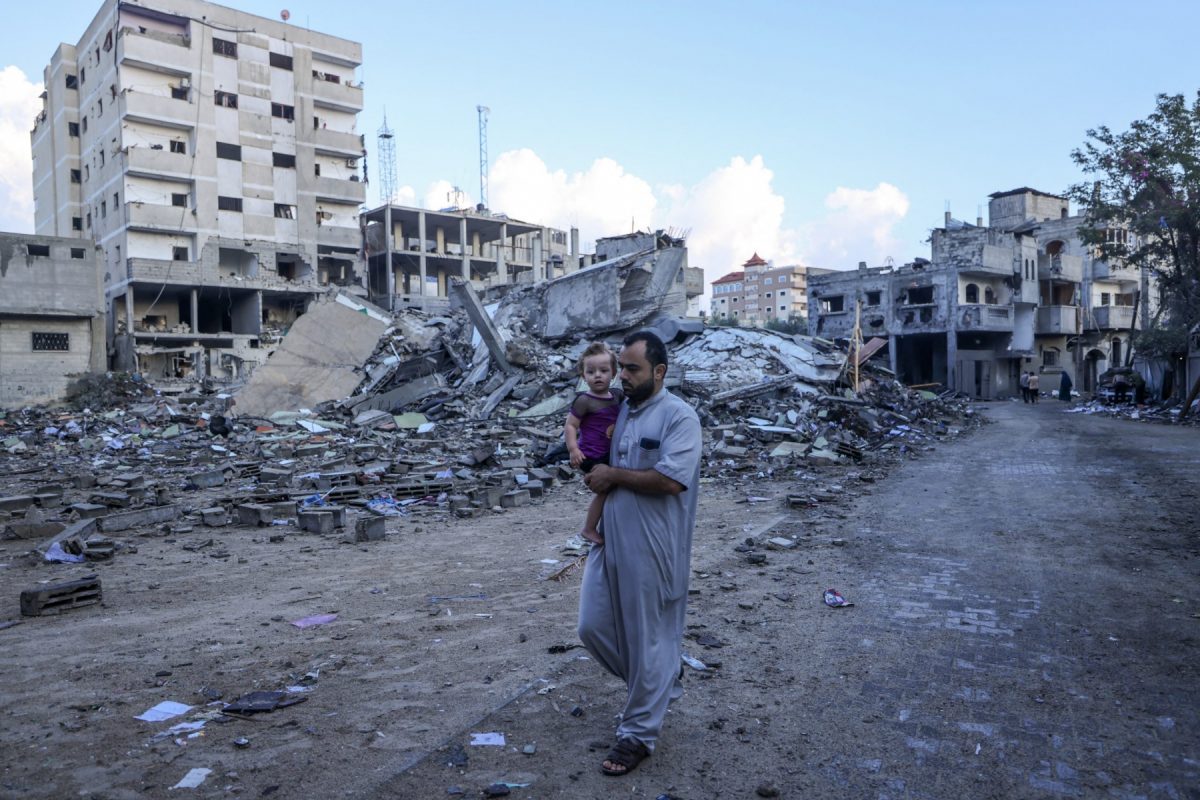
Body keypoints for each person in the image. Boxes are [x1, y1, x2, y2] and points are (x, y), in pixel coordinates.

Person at [577, 330, 702, 777]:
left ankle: (637, 734)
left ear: (659, 371)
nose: (622, 376)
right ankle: (662, 676)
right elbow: (597, 456)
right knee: (591, 626)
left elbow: (670, 480)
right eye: (621, 367)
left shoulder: (679, 418)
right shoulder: (621, 411)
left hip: (655, 547)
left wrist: (613, 473)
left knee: (649, 637)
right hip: (610, 539)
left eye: (632, 369)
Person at [564, 342, 623, 545]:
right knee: (605, 488)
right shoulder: (584, 401)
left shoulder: (617, 396)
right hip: (590, 455)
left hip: (608, 453)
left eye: (604, 370)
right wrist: (573, 449)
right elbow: (571, 425)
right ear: (583, 375)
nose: (597, 375)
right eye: (591, 371)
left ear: (614, 373)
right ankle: (589, 528)